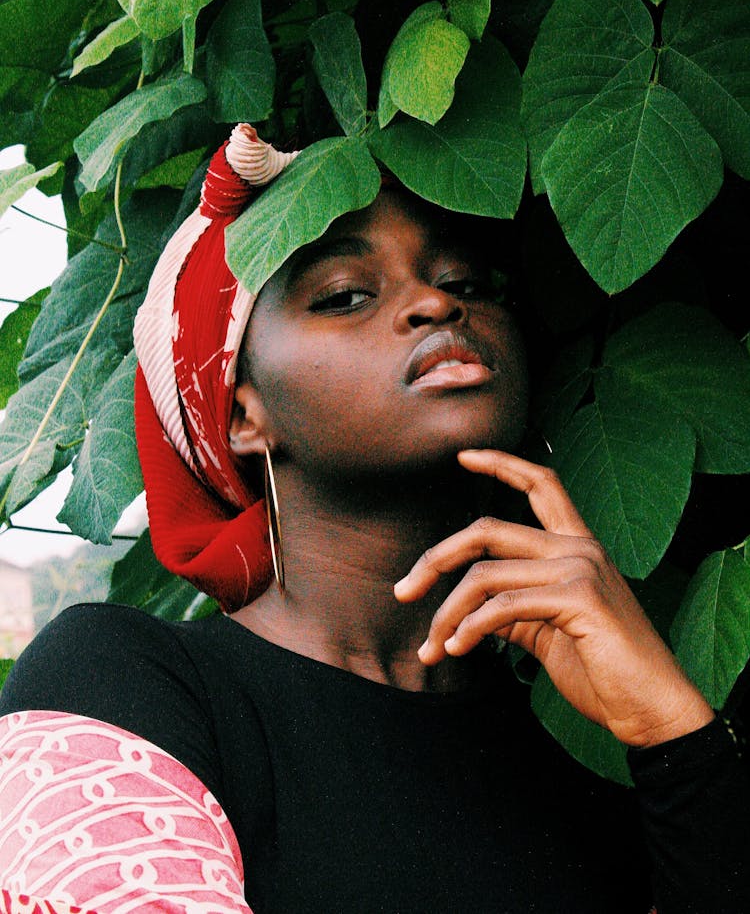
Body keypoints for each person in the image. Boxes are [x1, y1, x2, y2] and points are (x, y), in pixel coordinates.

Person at [0, 124, 747, 914]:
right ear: (240, 415)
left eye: (467, 278)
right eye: (345, 295)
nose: (437, 302)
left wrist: (673, 731)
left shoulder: (576, 768)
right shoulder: (116, 679)